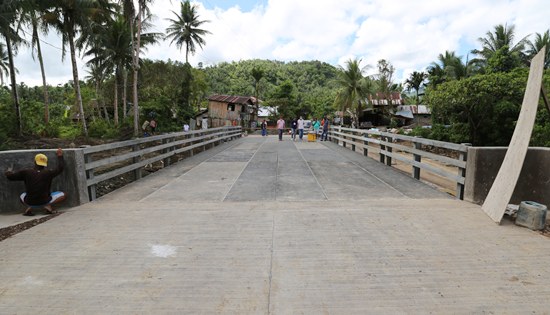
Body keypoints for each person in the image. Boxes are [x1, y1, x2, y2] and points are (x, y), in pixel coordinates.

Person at [5, 149, 66, 216]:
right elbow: (60, 168)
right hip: (45, 200)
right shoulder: (48, 173)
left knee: (22, 195)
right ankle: (47, 205)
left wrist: (8, 173)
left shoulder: (26, 172)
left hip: (29, 201)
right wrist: (60, 156)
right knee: (63, 194)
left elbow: (11, 177)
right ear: (45, 164)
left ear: (35, 162)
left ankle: (30, 206)